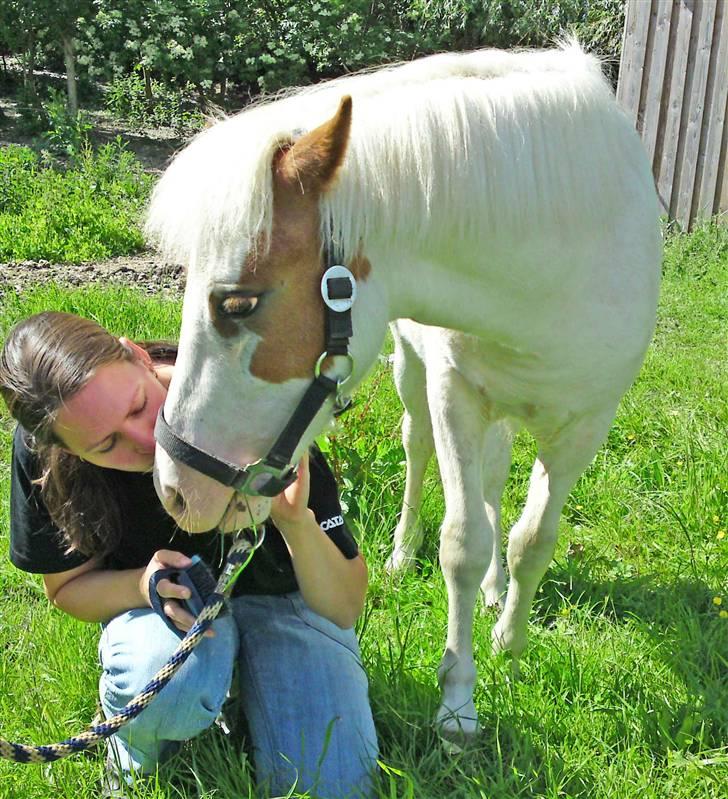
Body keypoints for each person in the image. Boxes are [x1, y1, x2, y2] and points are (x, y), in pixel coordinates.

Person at [0, 311, 378, 799]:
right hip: (174, 615)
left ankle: (256, 684)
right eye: (106, 444)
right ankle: (141, 736)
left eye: (137, 406)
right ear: (66, 449)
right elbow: (67, 589)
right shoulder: (43, 455)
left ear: (136, 354)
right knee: (169, 690)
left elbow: (345, 604)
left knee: (332, 783)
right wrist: (140, 584)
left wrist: (293, 522)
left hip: (288, 598)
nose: (142, 441)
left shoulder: (241, 399)